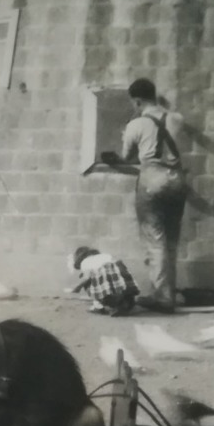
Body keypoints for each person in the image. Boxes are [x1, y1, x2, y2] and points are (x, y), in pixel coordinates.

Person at [101, 78, 187, 313]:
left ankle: (162, 297)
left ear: (137, 101)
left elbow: (128, 156)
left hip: (152, 179)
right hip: (178, 179)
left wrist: (115, 156)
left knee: (154, 240)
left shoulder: (136, 124)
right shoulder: (177, 119)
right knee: (171, 241)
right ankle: (170, 292)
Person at [68, 245, 140, 315]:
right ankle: (127, 302)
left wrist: (77, 288)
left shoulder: (85, 263)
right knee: (113, 277)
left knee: (88, 283)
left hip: (110, 291)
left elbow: (86, 279)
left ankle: (98, 306)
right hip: (125, 285)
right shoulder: (105, 256)